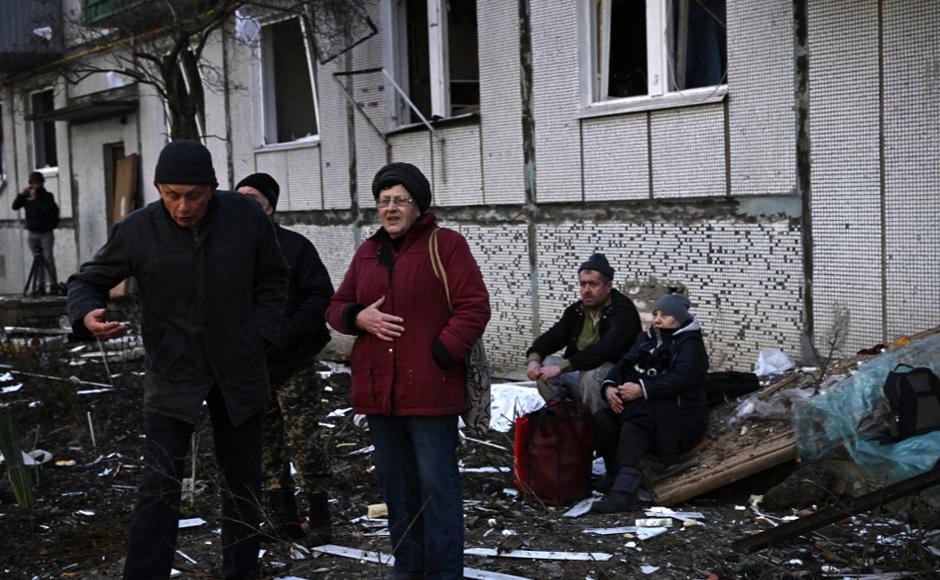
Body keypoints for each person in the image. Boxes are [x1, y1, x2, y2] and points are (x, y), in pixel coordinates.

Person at [67, 140, 288, 579]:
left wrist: (259, 336)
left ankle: (242, 573)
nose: (182, 206)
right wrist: (84, 313)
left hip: (238, 372)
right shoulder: (137, 230)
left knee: (242, 484)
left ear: (214, 188)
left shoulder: (245, 218)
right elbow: (88, 279)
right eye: (171, 194)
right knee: (158, 487)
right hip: (173, 373)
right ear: (157, 188)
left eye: (193, 195)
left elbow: (274, 280)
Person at [327, 162, 490, 579]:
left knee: (437, 491)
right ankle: (408, 569)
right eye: (384, 201)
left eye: (400, 200)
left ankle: (444, 573)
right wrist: (357, 317)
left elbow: (474, 306)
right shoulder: (368, 251)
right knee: (397, 492)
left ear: (418, 206)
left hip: (430, 392)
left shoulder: (446, 244)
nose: (391, 208)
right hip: (380, 393)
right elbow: (335, 306)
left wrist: (441, 352)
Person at [235, 172, 335, 546]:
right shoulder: (228, 251)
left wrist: (289, 331)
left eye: (254, 199)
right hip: (252, 367)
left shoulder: (294, 247)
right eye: (239, 197)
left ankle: (321, 518)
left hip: (292, 362)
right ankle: (284, 519)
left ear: (270, 207)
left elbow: (319, 294)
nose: (245, 205)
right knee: (266, 445)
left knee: (304, 440)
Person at [591, 293, 709, 514]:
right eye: (655, 314)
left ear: (680, 319)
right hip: (650, 411)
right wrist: (609, 387)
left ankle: (624, 493)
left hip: (681, 420)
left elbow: (684, 378)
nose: (657, 319)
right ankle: (615, 477)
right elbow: (623, 365)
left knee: (638, 419)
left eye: (665, 315)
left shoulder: (690, 345)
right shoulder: (647, 339)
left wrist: (642, 389)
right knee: (604, 419)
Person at [525, 253, 641, 413]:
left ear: (608, 287)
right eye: (583, 284)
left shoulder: (623, 311)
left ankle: (595, 425)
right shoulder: (577, 311)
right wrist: (534, 359)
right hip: (582, 372)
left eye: (593, 284)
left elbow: (604, 349)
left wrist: (562, 368)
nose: (586, 290)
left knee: (591, 375)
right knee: (546, 364)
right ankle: (564, 418)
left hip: (615, 378)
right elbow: (553, 336)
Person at [12, 171, 60, 295]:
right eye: (33, 184)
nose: (35, 186)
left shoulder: (47, 196)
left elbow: (45, 208)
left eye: (38, 183)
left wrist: (37, 196)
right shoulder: (27, 198)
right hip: (32, 233)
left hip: (46, 233)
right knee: (37, 260)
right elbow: (15, 206)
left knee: (48, 259)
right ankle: (41, 286)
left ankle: (53, 286)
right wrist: (23, 195)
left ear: (42, 184)